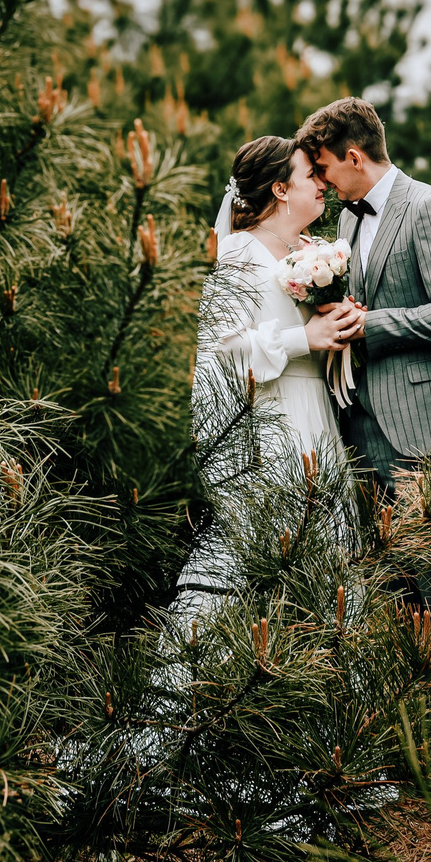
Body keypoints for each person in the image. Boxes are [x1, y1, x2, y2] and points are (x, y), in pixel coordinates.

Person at [297, 95, 431, 663]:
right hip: (363, 431)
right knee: (398, 590)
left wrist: (370, 325)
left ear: (353, 157)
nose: (323, 183)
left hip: (426, 431)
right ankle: (423, 731)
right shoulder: (347, 224)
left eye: (325, 168)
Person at [178, 133, 356, 606]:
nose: (322, 184)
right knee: (270, 557)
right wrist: (305, 339)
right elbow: (223, 349)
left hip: (319, 417)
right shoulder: (239, 253)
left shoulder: (311, 250)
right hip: (272, 426)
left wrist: (342, 321)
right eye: (310, 175)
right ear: (280, 189)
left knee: (328, 566)